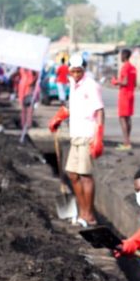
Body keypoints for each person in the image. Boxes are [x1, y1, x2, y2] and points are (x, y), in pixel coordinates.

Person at [47, 54, 105, 227]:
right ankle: (82, 211)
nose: (76, 74)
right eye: (73, 72)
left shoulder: (91, 86)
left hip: (87, 135)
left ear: (84, 69)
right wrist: (60, 117)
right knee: (72, 174)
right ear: (69, 71)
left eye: (79, 71)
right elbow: (76, 108)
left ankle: (89, 215)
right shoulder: (73, 85)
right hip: (75, 135)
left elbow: (99, 111)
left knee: (86, 176)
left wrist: (98, 136)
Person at [111, 48, 137, 151]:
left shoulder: (125, 67)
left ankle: (126, 143)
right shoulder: (133, 68)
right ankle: (127, 141)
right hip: (131, 94)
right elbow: (134, 83)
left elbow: (125, 82)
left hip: (124, 94)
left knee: (122, 118)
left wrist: (115, 82)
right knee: (128, 118)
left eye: (121, 55)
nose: (120, 57)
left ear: (124, 56)